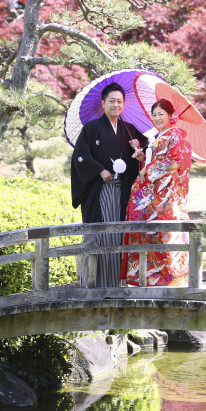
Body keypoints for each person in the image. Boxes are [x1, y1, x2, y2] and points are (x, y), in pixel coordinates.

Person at [71, 82, 147, 287]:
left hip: (122, 192)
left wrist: (139, 154)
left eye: (119, 101)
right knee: (98, 235)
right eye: (112, 101)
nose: (116, 104)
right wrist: (99, 170)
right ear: (103, 103)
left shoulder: (130, 131)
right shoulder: (92, 128)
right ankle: (91, 285)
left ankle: (118, 284)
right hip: (99, 192)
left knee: (118, 235)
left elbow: (146, 157)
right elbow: (80, 157)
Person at [123, 99, 192, 287]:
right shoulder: (158, 137)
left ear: (171, 115)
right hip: (153, 197)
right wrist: (143, 158)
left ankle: (172, 281)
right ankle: (149, 278)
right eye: (154, 115)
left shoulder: (175, 137)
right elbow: (154, 163)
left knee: (165, 234)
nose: (157, 118)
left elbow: (175, 162)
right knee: (147, 232)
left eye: (161, 114)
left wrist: (149, 169)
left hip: (166, 199)